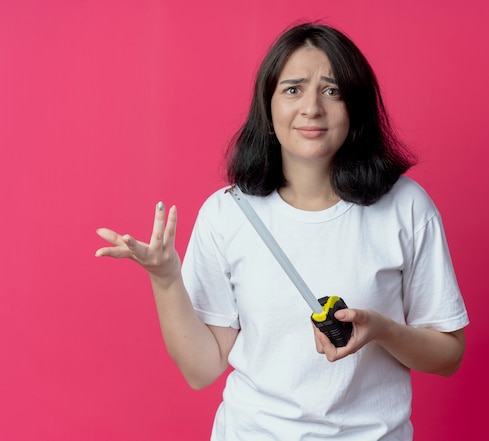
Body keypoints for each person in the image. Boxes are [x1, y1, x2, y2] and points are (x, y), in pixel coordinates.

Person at [96, 22, 469, 440]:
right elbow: (202, 370)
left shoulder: (405, 206)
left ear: (356, 106)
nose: (312, 108)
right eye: (293, 89)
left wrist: (382, 330)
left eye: (332, 91)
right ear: (268, 108)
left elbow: (448, 355)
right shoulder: (227, 214)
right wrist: (165, 280)